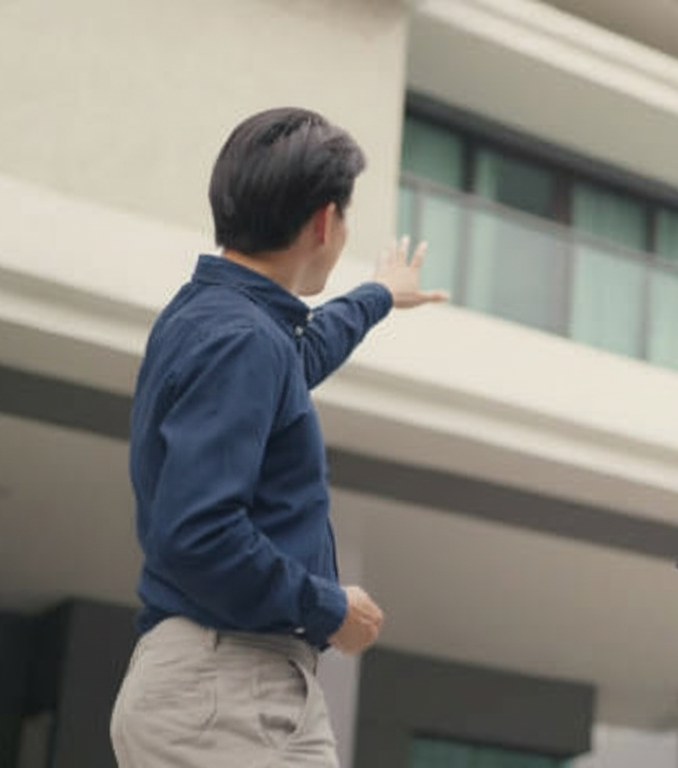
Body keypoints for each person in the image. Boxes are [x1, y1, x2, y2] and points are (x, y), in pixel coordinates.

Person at [110, 107, 445, 767]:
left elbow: (302, 350)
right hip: (226, 691)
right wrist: (328, 608)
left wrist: (378, 295)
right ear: (324, 221)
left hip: (227, 690)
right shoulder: (243, 341)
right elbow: (198, 533)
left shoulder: (222, 320)